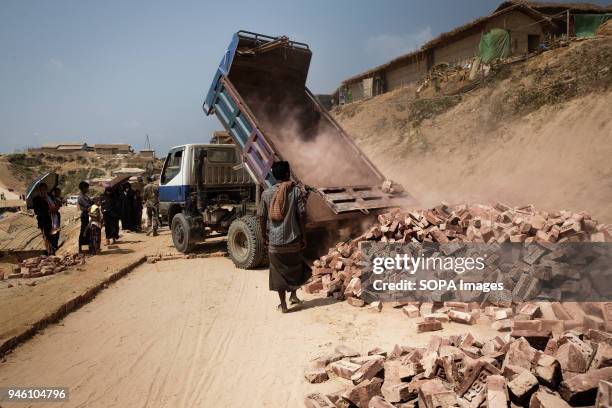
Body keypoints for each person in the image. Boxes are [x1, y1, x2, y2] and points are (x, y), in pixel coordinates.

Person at [258, 161, 311, 313]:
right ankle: (293, 295)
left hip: (274, 243)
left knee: (278, 273)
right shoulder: (295, 191)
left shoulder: (266, 194)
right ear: (287, 174)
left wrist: (264, 236)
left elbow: (261, 217)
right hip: (292, 241)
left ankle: (284, 305)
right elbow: (302, 214)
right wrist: (303, 236)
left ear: (274, 176)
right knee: (295, 269)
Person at [32, 183, 55, 255]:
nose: (43, 191)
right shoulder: (36, 199)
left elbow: (53, 206)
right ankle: (49, 252)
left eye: (45, 189)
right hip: (42, 220)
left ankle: (51, 250)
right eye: (42, 189)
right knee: (46, 236)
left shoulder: (49, 198)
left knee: (51, 236)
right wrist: (47, 211)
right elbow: (36, 211)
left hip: (51, 219)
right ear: (39, 190)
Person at [77, 181, 93, 253]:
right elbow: (88, 206)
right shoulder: (81, 197)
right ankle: (81, 248)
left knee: (88, 231)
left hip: (88, 214)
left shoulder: (85, 196)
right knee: (84, 230)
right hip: (85, 215)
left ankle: (88, 247)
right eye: (87, 187)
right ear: (83, 188)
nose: (88, 189)